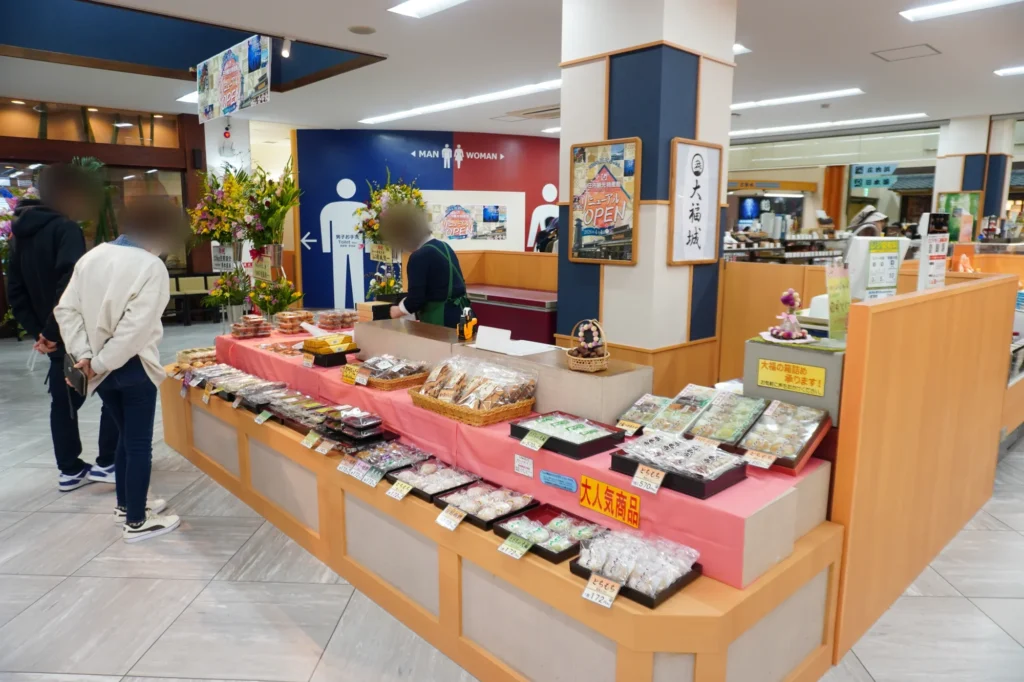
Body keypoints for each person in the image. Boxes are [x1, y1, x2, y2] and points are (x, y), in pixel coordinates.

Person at [55, 196, 180, 543]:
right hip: (133, 367)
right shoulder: (151, 266)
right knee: (139, 444)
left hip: (100, 368)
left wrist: (86, 358)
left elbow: (66, 310)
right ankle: (137, 522)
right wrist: (97, 363)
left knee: (126, 438)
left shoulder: (92, 257)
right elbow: (135, 330)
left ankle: (126, 506)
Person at [6, 163, 119, 491]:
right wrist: (54, 332)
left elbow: (15, 292)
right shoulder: (65, 229)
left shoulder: (18, 235)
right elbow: (71, 285)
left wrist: (41, 333)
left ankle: (69, 469)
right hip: (79, 332)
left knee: (64, 400)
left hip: (54, 336)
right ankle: (109, 462)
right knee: (116, 389)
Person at [379, 204, 471, 328]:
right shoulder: (444, 246)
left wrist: (398, 310)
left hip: (441, 321)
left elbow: (415, 300)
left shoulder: (419, 256)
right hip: (461, 315)